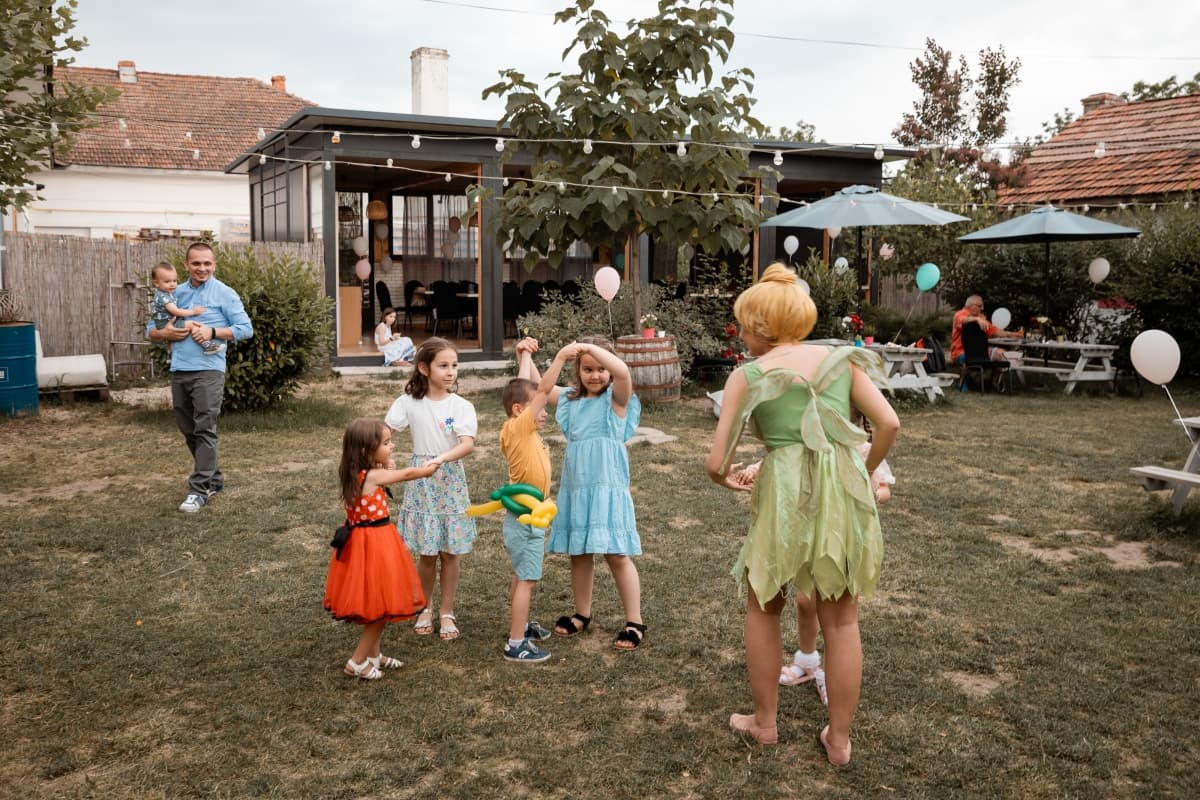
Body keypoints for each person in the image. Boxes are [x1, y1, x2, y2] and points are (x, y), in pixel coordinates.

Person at [704, 263, 899, 763]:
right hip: (839, 488)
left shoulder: (747, 375)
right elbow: (888, 423)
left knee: (763, 603)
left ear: (761, 326)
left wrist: (727, 477)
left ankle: (765, 724)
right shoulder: (841, 360)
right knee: (842, 618)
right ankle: (838, 741)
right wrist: (863, 469)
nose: (741, 334)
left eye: (744, 325)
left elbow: (716, 461)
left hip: (781, 491)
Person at [736, 429, 895, 705]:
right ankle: (807, 661)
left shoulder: (861, 451)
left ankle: (834, 679)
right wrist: (752, 471)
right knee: (804, 602)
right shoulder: (800, 443)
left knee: (837, 615)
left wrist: (870, 488)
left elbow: (884, 490)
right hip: (805, 536)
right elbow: (775, 463)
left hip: (838, 538)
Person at [542, 336, 646, 651]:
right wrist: (548, 355)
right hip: (578, 489)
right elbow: (541, 387)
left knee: (616, 553)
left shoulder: (616, 398)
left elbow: (624, 372)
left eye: (602, 368)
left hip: (607, 489)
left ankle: (635, 621)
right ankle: (582, 613)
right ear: (579, 370)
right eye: (588, 369)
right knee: (580, 552)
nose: (596, 375)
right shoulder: (571, 400)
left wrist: (591, 347)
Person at [324, 418, 439, 679]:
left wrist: (384, 462)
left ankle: (374, 656)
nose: (392, 446)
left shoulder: (355, 473)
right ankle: (357, 662)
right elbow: (407, 474)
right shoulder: (374, 476)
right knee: (381, 608)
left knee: (374, 602)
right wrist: (428, 469)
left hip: (360, 544)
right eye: (386, 443)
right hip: (376, 543)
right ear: (366, 451)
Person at [147, 242, 253, 513]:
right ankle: (214, 479)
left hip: (209, 370)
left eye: (207, 263)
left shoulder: (225, 293)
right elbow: (152, 330)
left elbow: (245, 329)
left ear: (214, 265)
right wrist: (165, 335)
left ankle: (199, 488)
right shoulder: (173, 292)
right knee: (188, 429)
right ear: (186, 265)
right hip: (179, 369)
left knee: (204, 427)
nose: (202, 268)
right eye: (196, 263)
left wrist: (213, 332)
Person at [384, 337, 477, 641]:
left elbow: (466, 444)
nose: (451, 372)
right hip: (421, 482)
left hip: (449, 480)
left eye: (454, 365)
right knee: (427, 553)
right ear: (424, 368)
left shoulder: (461, 406)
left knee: (449, 552)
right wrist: (383, 454)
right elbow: (385, 432)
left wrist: (440, 459)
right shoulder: (408, 403)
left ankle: (446, 611)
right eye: (443, 365)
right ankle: (425, 607)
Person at [495, 336, 560, 663]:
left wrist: (523, 354)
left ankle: (521, 626)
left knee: (522, 575)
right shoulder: (518, 429)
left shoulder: (522, 429)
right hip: (525, 522)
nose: (545, 412)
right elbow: (542, 390)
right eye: (539, 408)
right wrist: (560, 357)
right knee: (528, 579)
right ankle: (516, 642)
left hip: (528, 518)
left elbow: (527, 389)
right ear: (520, 411)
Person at [149, 261, 223, 356]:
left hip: (164, 322)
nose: (172, 284)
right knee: (193, 325)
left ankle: (170, 355)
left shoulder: (164, 294)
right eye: (167, 282)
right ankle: (208, 345)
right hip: (166, 323)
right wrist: (193, 311)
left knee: (177, 334)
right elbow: (176, 311)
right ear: (156, 283)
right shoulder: (163, 297)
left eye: (174, 281)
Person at [950, 295, 1011, 365]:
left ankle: (993, 376)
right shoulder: (960, 314)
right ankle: (967, 374)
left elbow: (994, 331)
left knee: (1003, 355)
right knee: (998, 355)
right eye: (980, 306)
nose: (982, 308)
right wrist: (976, 319)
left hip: (980, 351)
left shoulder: (980, 317)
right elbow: (963, 320)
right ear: (971, 305)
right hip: (961, 353)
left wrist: (1011, 334)